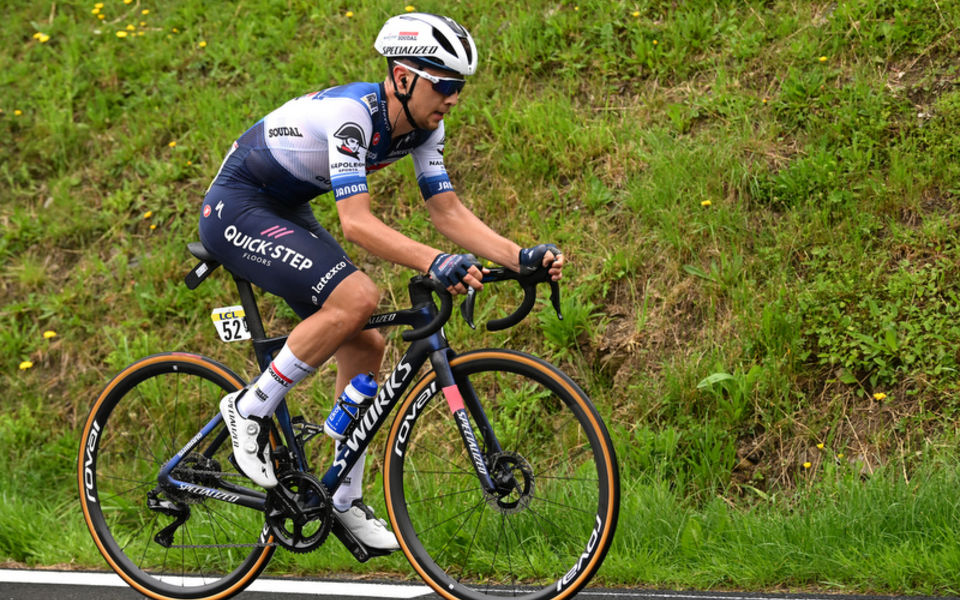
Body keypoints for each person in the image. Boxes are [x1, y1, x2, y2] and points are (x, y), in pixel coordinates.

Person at [197, 12, 563, 552]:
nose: (453, 97)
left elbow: (448, 211)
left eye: (458, 86)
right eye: (443, 83)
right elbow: (358, 223)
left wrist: (521, 255)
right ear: (401, 76)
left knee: (367, 339)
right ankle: (249, 408)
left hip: (286, 205)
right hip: (237, 204)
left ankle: (343, 501)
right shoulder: (352, 117)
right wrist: (436, 262)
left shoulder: (425, 126)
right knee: (359, 296)